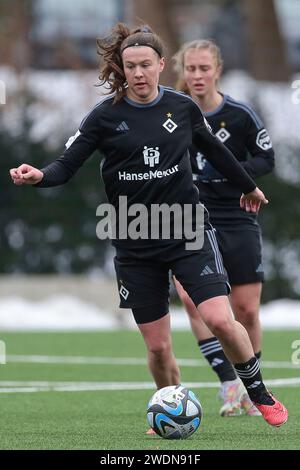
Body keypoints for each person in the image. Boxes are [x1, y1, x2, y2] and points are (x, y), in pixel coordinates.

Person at [10, 23, 287, 428]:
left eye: (145, 65)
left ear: (160, 64)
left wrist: (250, 187)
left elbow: (218, 153)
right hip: (134, 238)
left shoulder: (182, 108)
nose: (138, 73)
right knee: (158, 350)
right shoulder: (104, 117)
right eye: (130, 66)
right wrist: (39, 175)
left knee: (221, 320)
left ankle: (257, 393)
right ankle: (171, 413)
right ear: (121, 69)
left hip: (187, 229)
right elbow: (66, 166)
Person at [172, 39, 274, 417]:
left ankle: (252, 386)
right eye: (191, 69)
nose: (197, 76)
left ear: (218, 69)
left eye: (204, 68)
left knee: (245, 311)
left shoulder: (240, 115)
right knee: (191, 300)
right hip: (189, 216)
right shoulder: (172, 113)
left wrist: (234, 174)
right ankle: (228, 382)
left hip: (235, 214)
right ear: (181, 71)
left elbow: (267, 158)